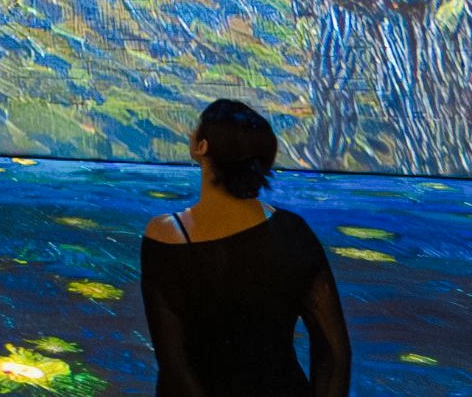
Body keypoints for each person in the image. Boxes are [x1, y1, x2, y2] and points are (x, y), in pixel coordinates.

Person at [140, 98, 352, 396]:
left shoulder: (167, 235)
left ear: (202, 147)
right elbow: (335, 355)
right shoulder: (293, 230)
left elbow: (176, 368)